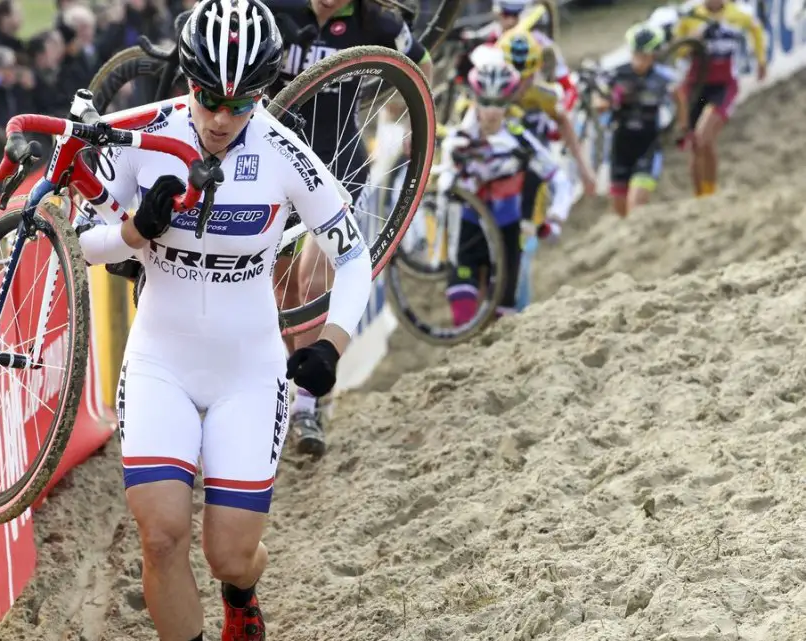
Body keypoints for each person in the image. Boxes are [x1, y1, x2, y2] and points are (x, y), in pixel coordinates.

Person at [56, 0, 372, 638]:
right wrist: (134, 231)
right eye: (207, 99)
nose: (221, 119)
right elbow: (74, 241)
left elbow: (353, 254)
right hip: (160, 363)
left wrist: (332, 344)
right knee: (162, 537)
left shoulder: (285, 154)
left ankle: (242, 593)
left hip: (248, 371)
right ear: (185, 81)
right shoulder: (140, 135)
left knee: (227, 554)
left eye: (241, 103)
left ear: (264, 93)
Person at [265, 0, 433, 457]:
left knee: (312, 276)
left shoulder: (376, 22)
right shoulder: (280, 8)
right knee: (279, 292)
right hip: (273, 164)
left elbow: (421, 63)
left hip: (337, 163)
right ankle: (294, 374)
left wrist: (417, 123)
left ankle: (307, 406)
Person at [437, 59, 572, 323]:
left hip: (508, 231)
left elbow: (559, 178)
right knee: (463, 318)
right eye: (485, 102)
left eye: (499, 103)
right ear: (473, 99)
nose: (491, 111)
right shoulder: (458, 138)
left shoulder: (519, 138)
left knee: (501, 320)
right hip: (468, 229)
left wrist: (555, 216)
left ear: (510, 102)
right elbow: (443, 185)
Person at [673, 0, 766, 197]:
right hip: (696, 86)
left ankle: (711, 190)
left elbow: (756, 30)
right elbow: (678, 50)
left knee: (703, 135)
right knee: (697, 144)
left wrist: (761, 61)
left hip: (723, 85)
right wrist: (692, 40)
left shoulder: (738, 15)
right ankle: (700, 195)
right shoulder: (691, 16)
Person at [592, 24, 680, 217]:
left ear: (654, 55)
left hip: (647, 146)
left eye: (645, 56)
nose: (640, 61)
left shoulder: (663, 78)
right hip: (620, 146)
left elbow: (681, 95)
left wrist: (683, 126)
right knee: (620, 213)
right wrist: (611, 101)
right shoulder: (616, 74)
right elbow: (598, 102)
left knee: (636, 206)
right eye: (637, 54)